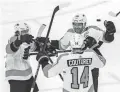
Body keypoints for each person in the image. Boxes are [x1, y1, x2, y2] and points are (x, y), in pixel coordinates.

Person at [50, 14, 116, 92]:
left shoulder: (92, 30)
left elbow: (106, 39)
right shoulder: (70, 33)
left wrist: (110, 33)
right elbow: (61, 45)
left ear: (84, 24)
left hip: (91, 64)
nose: (77, 27)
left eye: (79, 24)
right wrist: (48, 44)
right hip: (75, 64)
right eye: (75, 24)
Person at [36, 35, 106, 92]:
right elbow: (102, 63)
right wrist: (94, 49)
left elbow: (48, 73)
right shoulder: (91, 54)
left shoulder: (64, 58)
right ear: (83, 44)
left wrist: (44, 61)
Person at [5, 22, 39, 92]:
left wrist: (40, 44)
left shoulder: (26, 40)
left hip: (28, 76)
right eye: (24, 31)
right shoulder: (13, 39)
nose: (26, 33)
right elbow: (9, 49)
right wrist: (19, 40)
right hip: (16, 77)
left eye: (27, 31)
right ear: (18, 32)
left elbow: (33, 47)